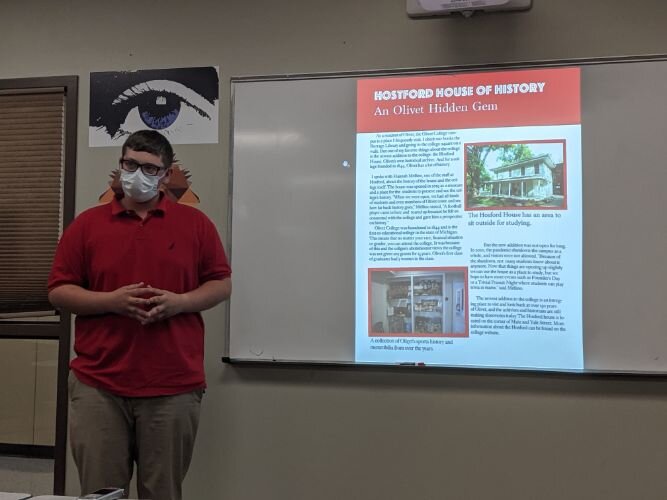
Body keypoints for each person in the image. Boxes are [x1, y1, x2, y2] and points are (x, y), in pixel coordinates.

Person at [48, 130, 231, 500]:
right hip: (98, 385)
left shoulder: (196, 225)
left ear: (166, 175)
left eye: (149, 168)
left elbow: (221, 284)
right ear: (120, 166)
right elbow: (59, 291)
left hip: (173, 386)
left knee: (162, 492)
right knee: (101, 493)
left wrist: (179, 303)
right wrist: (111, 301)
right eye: (129, 164)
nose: (137, 174)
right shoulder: (87, 225)